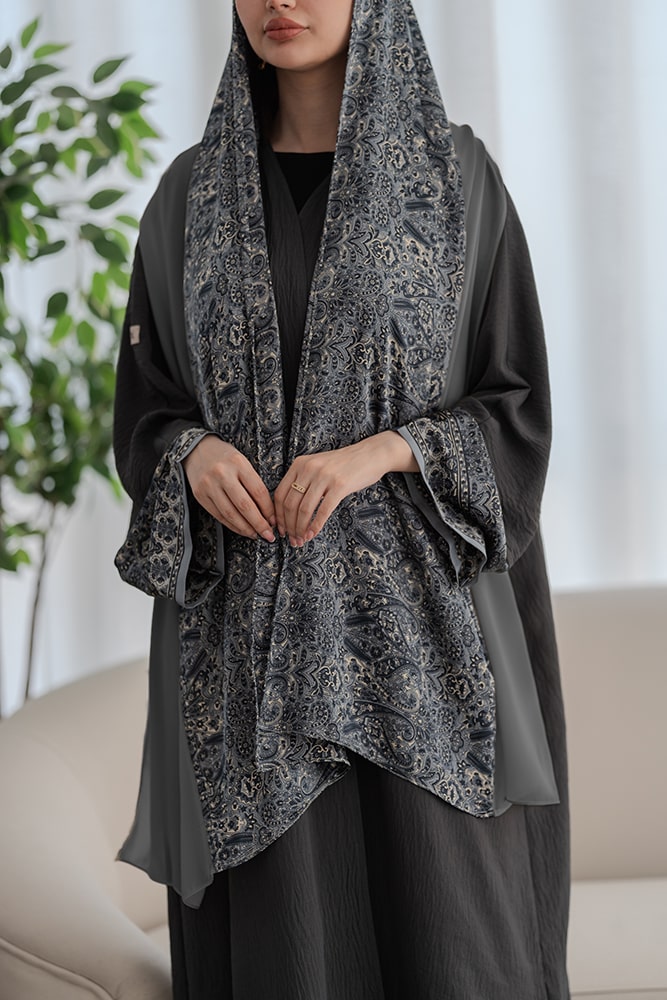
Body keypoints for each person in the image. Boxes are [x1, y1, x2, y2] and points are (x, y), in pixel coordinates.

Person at [113, 0, 570, 997]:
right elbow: (146, 412)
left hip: (428, 667)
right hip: (250, 670)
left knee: (454, 944)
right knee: (289, 959)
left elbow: (515, 404)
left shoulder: (457, 181)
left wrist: (385, 451)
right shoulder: (187, 199)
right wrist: (190, 453)